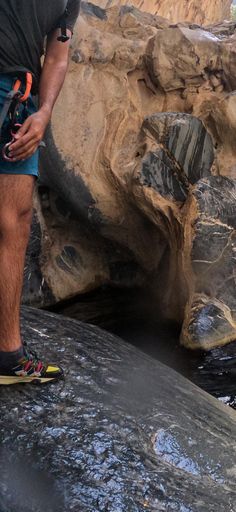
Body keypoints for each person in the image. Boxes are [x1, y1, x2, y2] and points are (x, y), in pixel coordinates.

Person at [0, 0, 80, 385]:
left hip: (19, 98)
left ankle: (8, 353)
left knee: (15, 222)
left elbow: (57, 54)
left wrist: (44, 111)